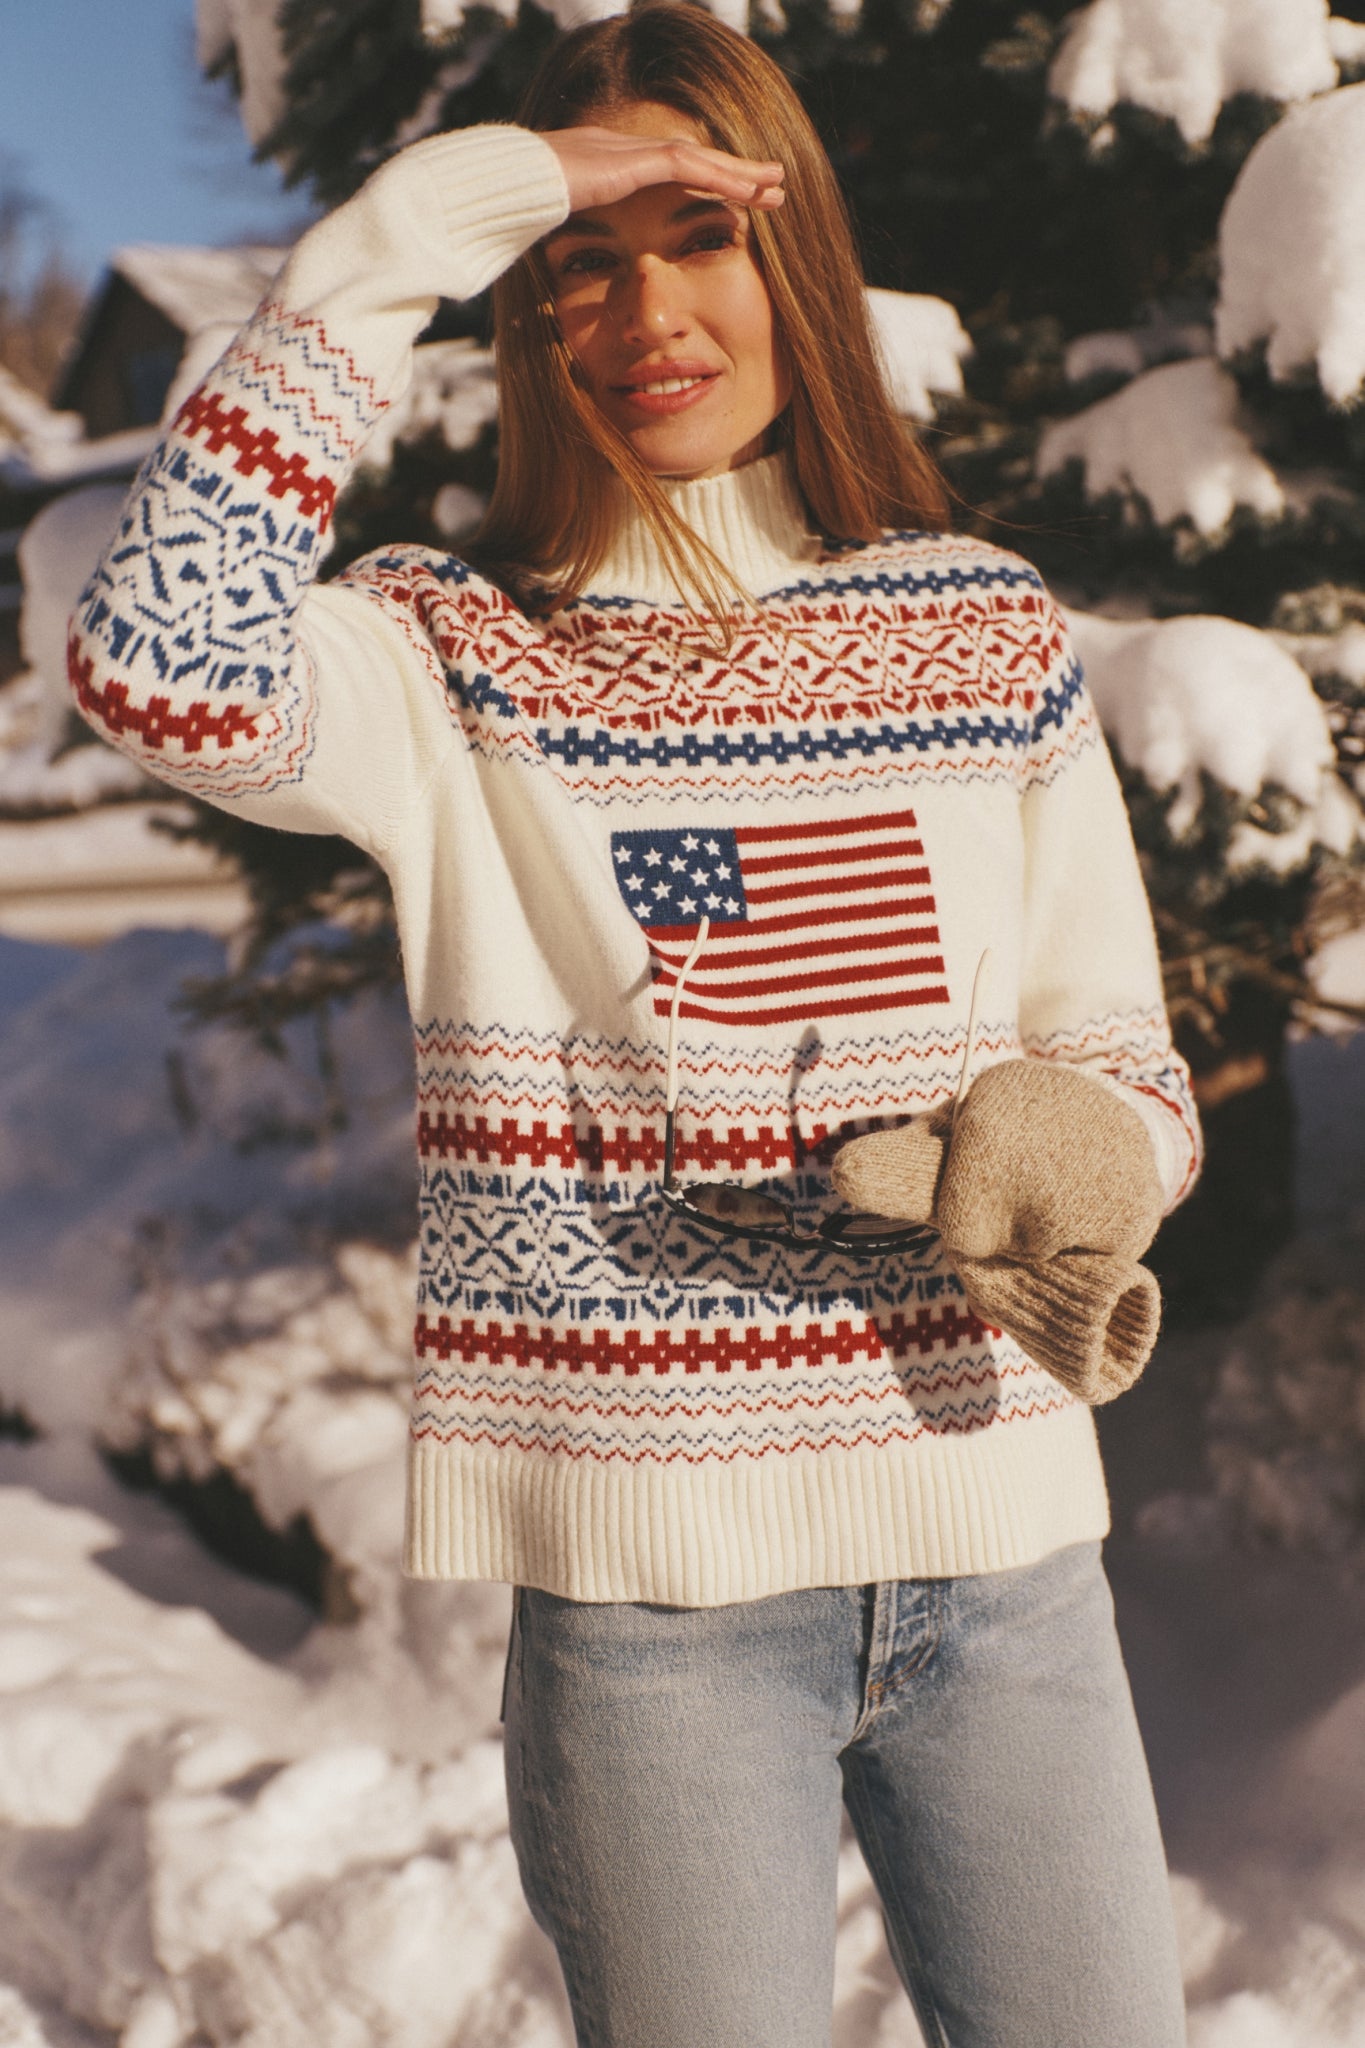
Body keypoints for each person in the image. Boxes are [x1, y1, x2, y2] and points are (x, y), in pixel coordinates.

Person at [69, 5, 1202, 2042]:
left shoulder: (983, 625)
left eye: (694, 231)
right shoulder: (444, 657)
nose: (638, 306)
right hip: (650, 1618)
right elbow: (159, 659)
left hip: (1004, 1561)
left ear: (796, 265)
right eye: (580, 259)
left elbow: (1121, 1057)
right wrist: (441, 210)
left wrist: (1074, 1150)